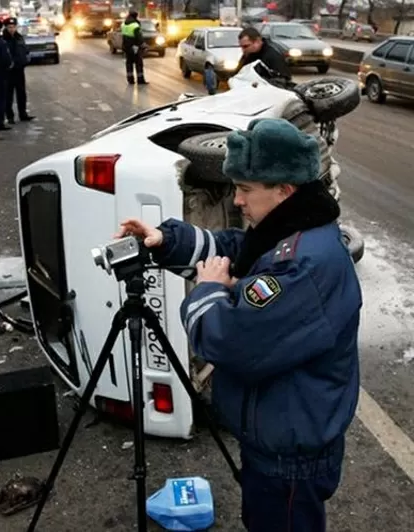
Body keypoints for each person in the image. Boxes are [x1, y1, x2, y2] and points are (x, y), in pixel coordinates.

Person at [116, 118, 362, 532]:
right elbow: (238, 252)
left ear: (284, 190)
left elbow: (228, 341)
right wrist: (165, 239)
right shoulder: (290, 228)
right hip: (277, 433)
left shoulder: (304, 265)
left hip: (288, 454)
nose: (238, 200)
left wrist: (208, 291)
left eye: (246, 189)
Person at [2, 17, 35, 124]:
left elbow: (25, 50)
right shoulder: (3, 39)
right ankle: (10, 116)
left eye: (13, 27)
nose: (12, 29)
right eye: (9, 27)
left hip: (19, 70)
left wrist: (26, 59)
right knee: (8, 94)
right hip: (8, 71)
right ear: (6, 27)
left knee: (21, 93)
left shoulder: (19, 38)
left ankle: (23, 114)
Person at [121, 9, 147, 85]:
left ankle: (130, 80)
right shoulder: (135, 25)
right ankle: (140, 80)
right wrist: (143, 45)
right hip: (135, 47)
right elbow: (139, 37)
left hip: (126, 46)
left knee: (129, 63)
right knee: (138, 63)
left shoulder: (124, 24)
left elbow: (124, 36)